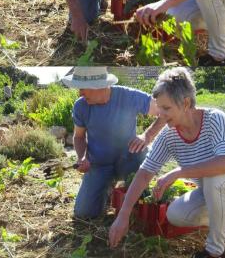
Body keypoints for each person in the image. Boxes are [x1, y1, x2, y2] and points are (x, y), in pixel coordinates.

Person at [108, 68, 225, 258]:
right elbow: (145, 172)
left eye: (166, 108)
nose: (160, 115)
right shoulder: (169, 136)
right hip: (223, 189)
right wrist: (124, 215)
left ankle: (214, 252)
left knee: (215, 178)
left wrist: (178, 172)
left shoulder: (214, 119)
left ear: (186, 103)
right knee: (176, 214)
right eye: (159, 107)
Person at [61, 67, 166, 219]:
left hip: (128, 160)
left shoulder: (128, 96)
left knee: (142, 156)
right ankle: (107, 188)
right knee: (84, 213)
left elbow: (165, 111)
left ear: (100, 86)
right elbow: (78, 137)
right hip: (99, 164)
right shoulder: (81, 106)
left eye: (83, 88)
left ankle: (134, 190)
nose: (80, 93)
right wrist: (82, 157)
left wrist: (147, 136)